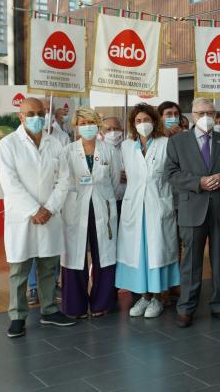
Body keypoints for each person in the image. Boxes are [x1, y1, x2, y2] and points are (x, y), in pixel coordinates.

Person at [0, 97, 76, 338]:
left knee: (49, 266)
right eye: (30, 113)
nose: (36, 117)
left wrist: (49, 208)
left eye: (40, 112)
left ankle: (50, 309)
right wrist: (34, 210)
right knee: (19, 269)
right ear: (20, 117)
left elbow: (64, 180)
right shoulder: (8, 144)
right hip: (23, 217)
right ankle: (18, 316)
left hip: (49, 215)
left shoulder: (55, 144)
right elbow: (10, 183)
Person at [163, 98, 220, 327]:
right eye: (201, 113)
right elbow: (171, 174)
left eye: (210, 112)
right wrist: (199, 182)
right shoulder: (177, 142)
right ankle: (186, 308)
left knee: (219, 260)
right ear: (193, 114)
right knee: (191, 262)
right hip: (192, 208)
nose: (206, 117)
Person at [115, 104, 180, 320]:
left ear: (154, 121)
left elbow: (174, 173)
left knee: (157, 253)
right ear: (133, 125)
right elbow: (122, 174)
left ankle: (158, 299)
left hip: (158, 207)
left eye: (147, 119)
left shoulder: (166, 144)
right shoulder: (126, 146)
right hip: (135, 209)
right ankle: (143, 296)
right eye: (138, 121)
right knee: (140, 255)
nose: (143, 124)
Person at [59, 108, 124, 318]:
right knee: (74, 255)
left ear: (97, 125)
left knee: (104, 255)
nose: (87, 126)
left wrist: (104, 197)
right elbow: (62, 183)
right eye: (82, 123)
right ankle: (74, 306)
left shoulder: (109, 151)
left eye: (91, 122)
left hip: (102, 207)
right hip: (75, 209)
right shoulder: (67, 151)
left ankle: (102, 303)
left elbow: (114, 182)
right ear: (76, 126)